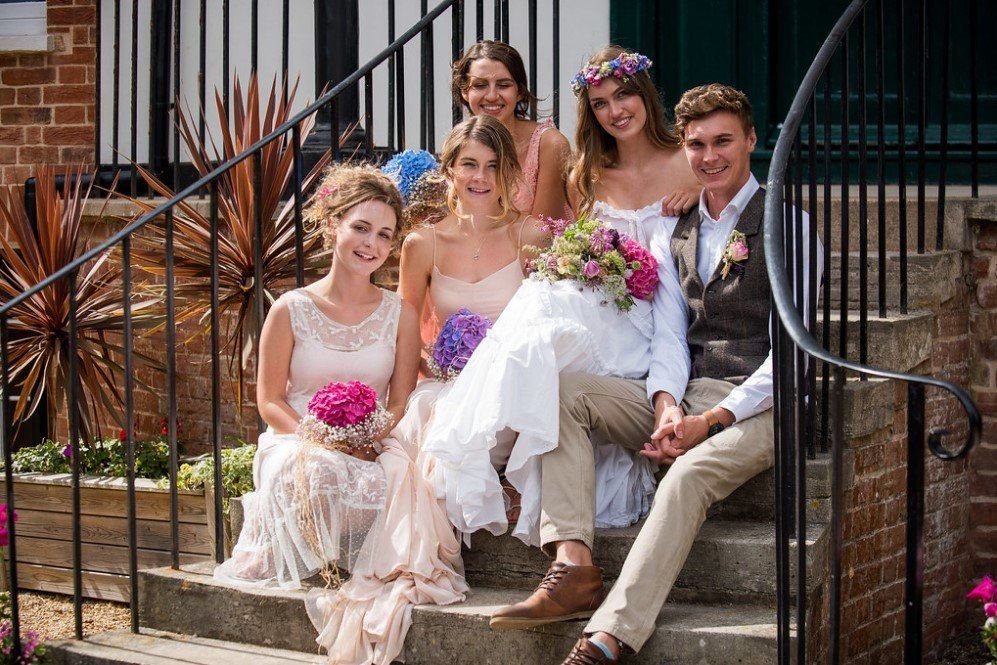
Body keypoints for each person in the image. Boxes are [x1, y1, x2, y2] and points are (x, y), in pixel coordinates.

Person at [489, 84, 822, 665]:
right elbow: (670, 334)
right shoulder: (676, 230)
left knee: (687, 477)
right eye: (696, 144)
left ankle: (609, 637)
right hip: (690, 392)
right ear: (684, 149)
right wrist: (669, 403)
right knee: (565, 393)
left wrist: (713, 418)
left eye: (723, 141)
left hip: (765, 405)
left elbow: (793, 352)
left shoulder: (786, 227)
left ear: (751, 141)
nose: (709, 156)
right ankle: (573, 568)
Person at [421, 46, 701, 547]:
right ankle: (485, 445)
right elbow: (568, 239)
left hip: (663, 314)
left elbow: (733, 206)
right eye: (600, 103)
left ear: (646, 96)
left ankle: (487, 445)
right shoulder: (587, 173)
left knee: (544, 304)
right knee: (544, 300)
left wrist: (701, 195)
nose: (615, 110)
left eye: (625, 96)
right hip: (609, 303)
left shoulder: (692, 163)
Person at [212, 164, 465, 665]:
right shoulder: (289, 308)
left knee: (400, 473)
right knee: (316, 469)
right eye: (361, 227)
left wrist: (370, 435)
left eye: (385, 234)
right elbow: (268, 401)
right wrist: (319, 435)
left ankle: (376, 569)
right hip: (298, 437)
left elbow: (399, 400)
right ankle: (324, 553)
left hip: (372, 439)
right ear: (333, 226)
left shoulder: (400, 313)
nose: (371, 243)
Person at [452, 40, 573, 221]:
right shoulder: (460, 143)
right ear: (464, 91)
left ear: (519, 92)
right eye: (480, 85)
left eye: (503, 85)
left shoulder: (549, 144)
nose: (492, 95)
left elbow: (542, 232)